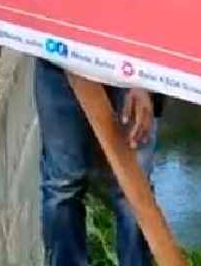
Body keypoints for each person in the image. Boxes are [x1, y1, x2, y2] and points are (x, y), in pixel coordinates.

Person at [35, 59, 163, 266]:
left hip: (131, 66)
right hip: (58, 57)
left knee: (134, 193)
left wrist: (144, 80)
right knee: (63, 189)